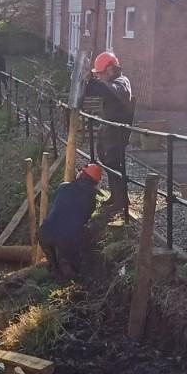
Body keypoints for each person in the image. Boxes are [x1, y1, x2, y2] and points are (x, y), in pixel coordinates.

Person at [84, 50, 135, 216]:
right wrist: (85, 83)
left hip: (118, 132)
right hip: (108, 129)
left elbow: (109, 90)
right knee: (107, 162)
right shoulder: (110, 82)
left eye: (100, 73)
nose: (99, 77)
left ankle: (121, 201)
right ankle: (116, 195)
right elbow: (98, 89)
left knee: (115, 164)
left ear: (111, 69)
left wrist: (92, 82)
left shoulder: (121, 82)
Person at [38, 164, 102, 278]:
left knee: (52, 242)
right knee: (71, 247)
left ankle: (55, 266)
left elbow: (55, 205)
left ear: (82, 174)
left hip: (45, 231)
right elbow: (85, 219)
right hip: (68, 238)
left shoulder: (63, 187)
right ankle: (66, 266)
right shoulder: (92, 199)